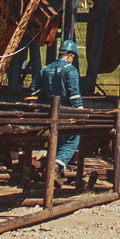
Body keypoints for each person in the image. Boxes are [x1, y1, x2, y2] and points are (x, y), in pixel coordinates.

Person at [33, 38, 85, 179]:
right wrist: (80, 110)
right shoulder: (70, 70)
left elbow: (33, 90)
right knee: (74, 137)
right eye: (72, 57)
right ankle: (57, 166)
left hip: (49, 111)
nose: (72, 60)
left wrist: (44, 98)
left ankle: (53, 168)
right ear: (69, 55)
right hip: (65, 111)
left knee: (59, 139)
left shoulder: (45, 68)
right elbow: (74, 94)